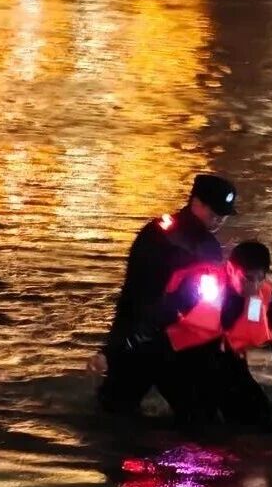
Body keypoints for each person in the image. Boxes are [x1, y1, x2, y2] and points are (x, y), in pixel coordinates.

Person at [87, 173, 237, 417]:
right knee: (114, 415)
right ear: (196, 203)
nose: (220, 219)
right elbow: (135, 296)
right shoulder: (158, 237)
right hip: (147, 341)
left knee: (195, 417)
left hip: (177, 344)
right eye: (214, 212)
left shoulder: (207, 246)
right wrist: (114, 347)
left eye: (224, 214)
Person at [216, 240, 272, 428]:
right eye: (248, 278)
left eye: (260, 278)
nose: (255, 286)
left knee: (263, 419)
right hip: (194, 360)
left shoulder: (265, 299)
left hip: (232, 359)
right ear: (231, 269)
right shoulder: (206, 292)